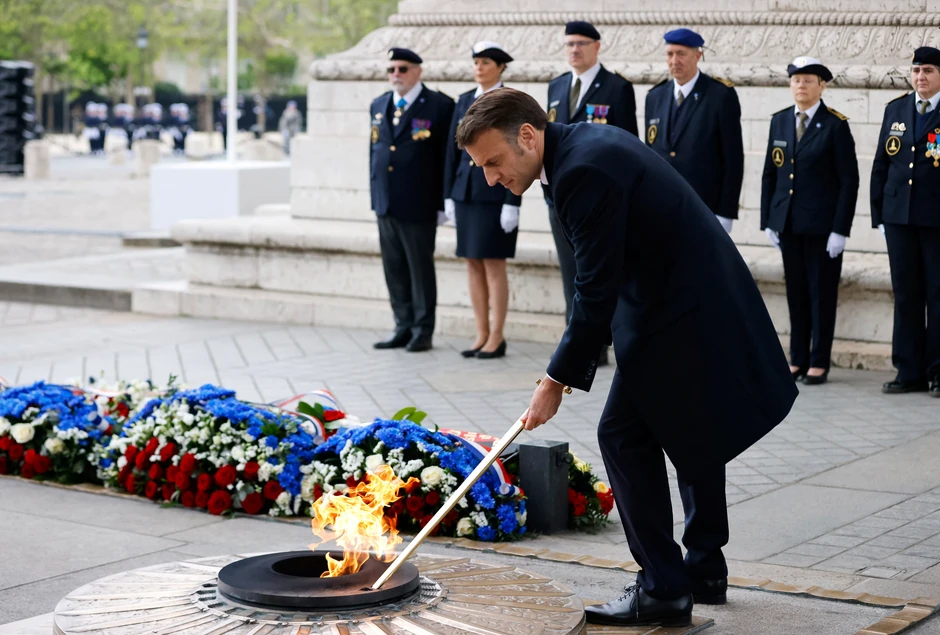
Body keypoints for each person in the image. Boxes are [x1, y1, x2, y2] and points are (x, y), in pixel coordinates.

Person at [456, 88, 797, 627]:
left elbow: (595, 289)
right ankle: (704, 568)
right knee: (692, 428)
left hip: (679, 311)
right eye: (480, 167)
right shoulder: (577, 148)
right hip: (685, 302)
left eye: (493, 162)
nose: (490, 178)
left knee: (623, 434)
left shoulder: (582, 169)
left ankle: (664, 587)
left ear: (526, 135)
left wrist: (555, 379)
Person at [760, 57, 859, 386]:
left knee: (821, 295)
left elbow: (849, 181)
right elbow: (770, 174)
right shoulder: (780, 121)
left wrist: (840, 230)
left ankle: (819, 361)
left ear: (822, 86)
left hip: (821, 228)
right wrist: (769, 219)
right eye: (796, 80)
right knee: (796, 294)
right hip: (788, 224)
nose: (800, 85)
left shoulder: (835, 125)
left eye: (808, 80)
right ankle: (797, 357)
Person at [546, 20, 638, 367]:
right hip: (559, 198)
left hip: (600, 201)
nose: (574, 50)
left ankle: (603, 337)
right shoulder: (556, 87)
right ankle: (581, 342)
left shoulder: (616, 88)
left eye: (581, 44)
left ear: (597, 47)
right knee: (570, 271)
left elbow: (627, 145)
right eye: (569, 44)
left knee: (596, 269)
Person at [370, 47, 455, 353]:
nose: (396, 75)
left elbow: (448, 156)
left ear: (418, 71)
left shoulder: (439, 105)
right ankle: (402, 325)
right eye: (391, 69)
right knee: (394, 267)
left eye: (402, 69)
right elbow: (376, 151)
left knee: (419, 269)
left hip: (419, 201)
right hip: (386, 201)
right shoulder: (379, 104)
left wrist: (446, 200)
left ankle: (423, 329)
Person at [443, 42, 520, 360]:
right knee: (472, 263)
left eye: (486, 62)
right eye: (476, 61)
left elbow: (518, 152)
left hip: (495, 192)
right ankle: (481, 333)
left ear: (501, 67)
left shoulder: (510, 101)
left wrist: (512, 200)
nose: (479, 67)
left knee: (493, 264)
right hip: (466, 192)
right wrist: (448, 194)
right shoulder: (464, 100)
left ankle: (497, 336)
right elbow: (452, 149)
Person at [871, 46, 940, 397]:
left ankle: (938, 371)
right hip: (899, 217)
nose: (920, 77)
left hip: (936, 220)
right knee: (906, 294)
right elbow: (882, 163)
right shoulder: (896, 109)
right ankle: (908, 370)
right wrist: (878, 213)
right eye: (916, 71)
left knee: (938, 294)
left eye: (927, 70)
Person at [645, 28, 744, 235]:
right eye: (670, 54)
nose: (674, 61)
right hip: (662, 205)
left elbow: (733, 159)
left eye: (681, 54)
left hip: (704, 207)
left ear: (697, 56)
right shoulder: (655, 96)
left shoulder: (719, 95)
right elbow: (650, 155)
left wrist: (725, 213)